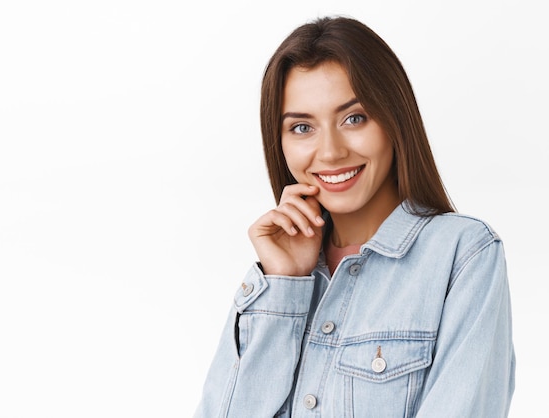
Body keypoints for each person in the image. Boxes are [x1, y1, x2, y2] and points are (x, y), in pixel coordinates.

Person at [193, 15, 515, 418]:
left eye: (354, 118)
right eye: (302, 127)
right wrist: (283, 287)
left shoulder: (462, 255)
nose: (329, 152)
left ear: (394, 119)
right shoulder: (276, 279)